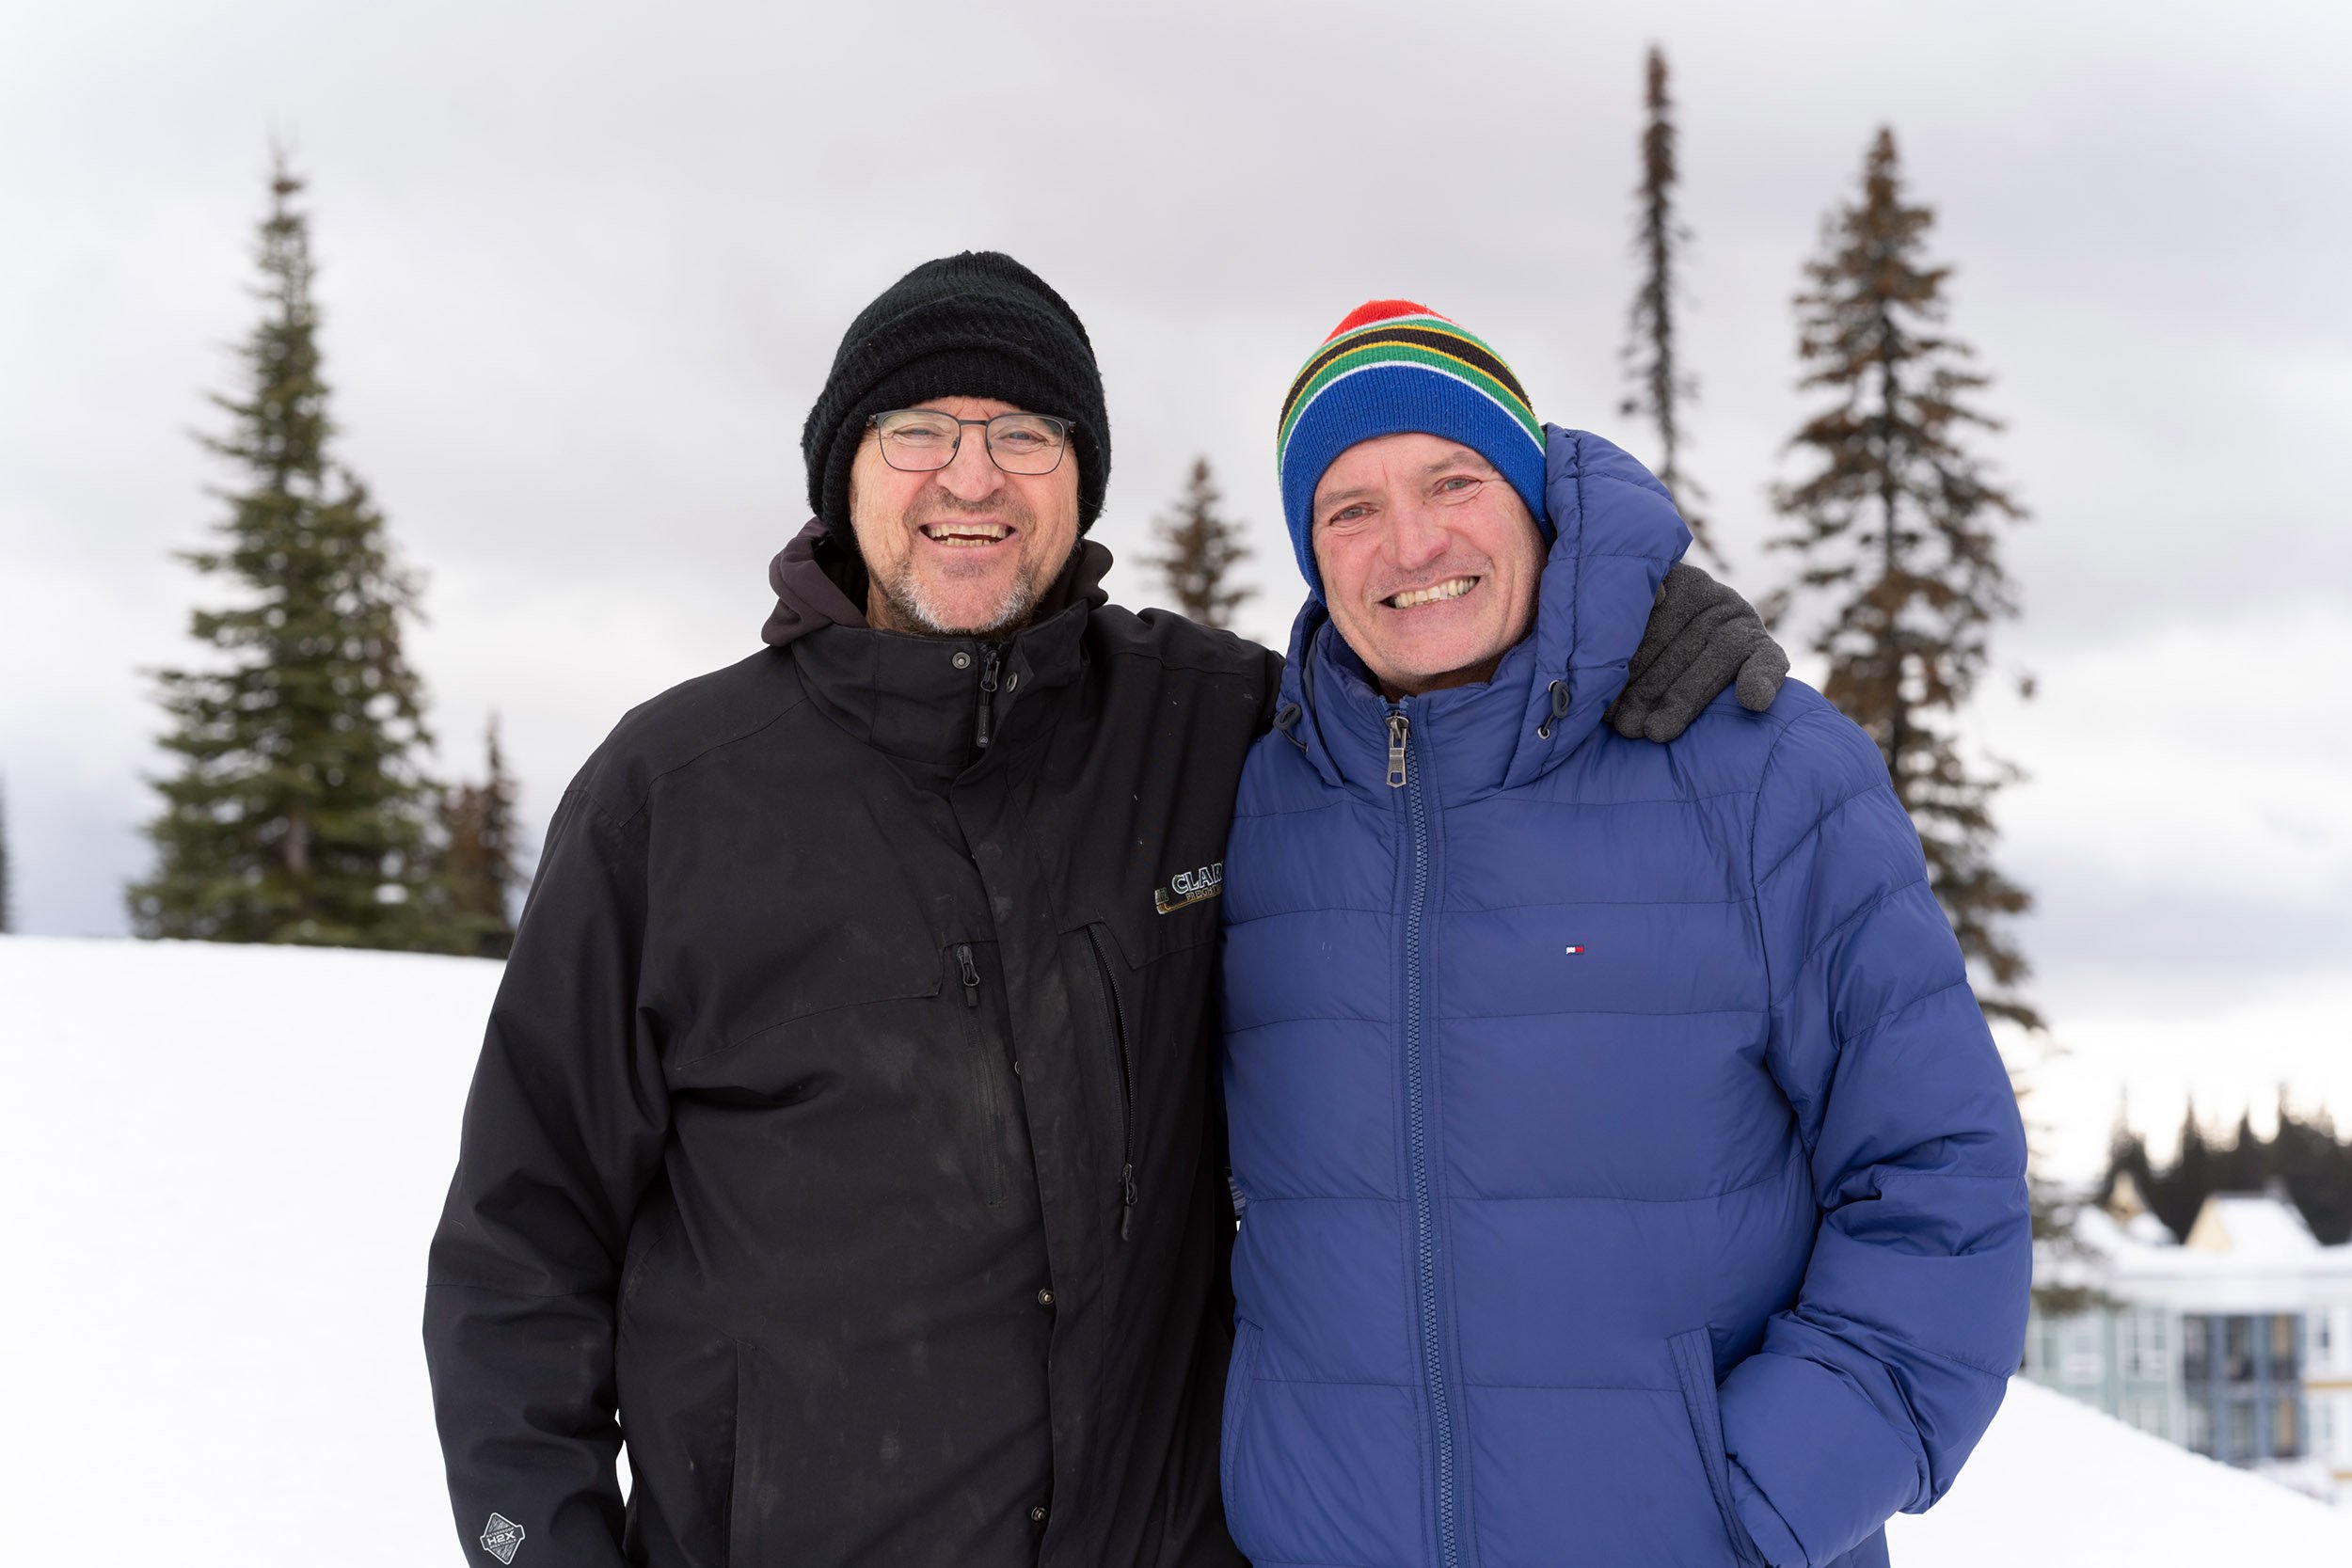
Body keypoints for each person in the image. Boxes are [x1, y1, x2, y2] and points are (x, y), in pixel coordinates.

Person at [421, 259, 1783, 1568]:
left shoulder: (1214, 724)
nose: (971, 476)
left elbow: (1436, 684)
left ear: (1081, 479)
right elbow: (522, 1243)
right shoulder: (672, 797)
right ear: (844, 472)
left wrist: (1630, 623)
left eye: (1024, 432)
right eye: (917, 431)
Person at [1216, 301, 2031, 1568]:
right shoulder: (1256, 804)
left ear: (1538, 499)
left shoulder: (1761, 774)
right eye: (1348, 508)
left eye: (1453, 480)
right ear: (1313, 557)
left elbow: (1939, 1182)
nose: (1410, 541)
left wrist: (1743, 1509)